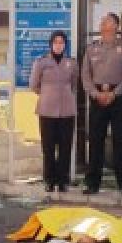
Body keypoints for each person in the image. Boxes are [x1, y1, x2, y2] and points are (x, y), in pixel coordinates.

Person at [81, 13, 122, 196]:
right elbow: (85, 76)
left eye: (107, 21)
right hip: (97, 97)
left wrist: (115, 93)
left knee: (121, 140)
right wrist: (95, 93)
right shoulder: (91, 49)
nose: (102, 23)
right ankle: (92, 183)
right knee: (96, 140)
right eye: (102, 21)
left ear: (115, 26)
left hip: (119, 97)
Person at [29, 30, 78, 192]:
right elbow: (34, 85)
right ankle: (49, 180)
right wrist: (48, 94)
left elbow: (74, 83)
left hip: (66, 110)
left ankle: (63, 180)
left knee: (65, 146)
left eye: (62, 42)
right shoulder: (41, 62)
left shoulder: (71, 62)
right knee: (48, 147)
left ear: (65, 45)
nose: (59, 45)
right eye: (56, 42)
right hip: (47, 110)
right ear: (51, 44)